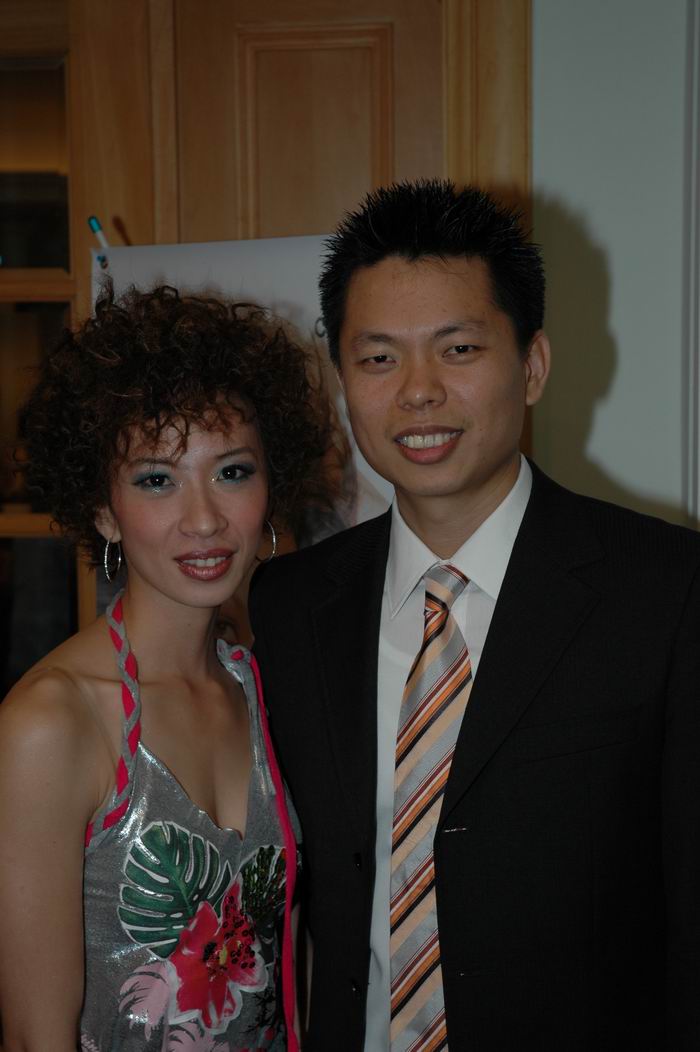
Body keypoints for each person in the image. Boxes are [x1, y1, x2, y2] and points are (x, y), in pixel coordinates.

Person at [249, 180, 700, 1051]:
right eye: (378, 359)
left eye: (457, 349)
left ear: (532, 366)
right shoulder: (291, 603)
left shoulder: (668, 592)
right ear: (342, 378)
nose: (418, 393)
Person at [0, 285, 331, 1052]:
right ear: (104, 510)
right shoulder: (51, 723)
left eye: (233, 472)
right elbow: (34, 1037)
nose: (205, 519)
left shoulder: (264, 686)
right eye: (157, 479)